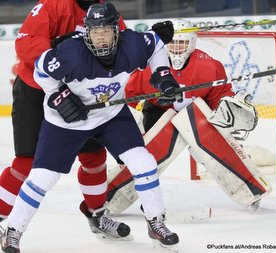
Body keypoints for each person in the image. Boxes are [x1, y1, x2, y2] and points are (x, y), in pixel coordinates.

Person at [0, 3, 180, 252]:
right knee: (35, 171)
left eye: (107, 31)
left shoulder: (125, 39)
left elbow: (148, 47)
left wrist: (162, 75)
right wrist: (59, 93)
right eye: (96, 32)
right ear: (86, 33)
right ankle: (10, 227)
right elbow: (39, 64)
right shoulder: (66, 37)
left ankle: (143, 219)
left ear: (116, 30)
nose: (102, 38)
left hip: (106, 113)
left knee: (119, 162)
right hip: (56, 110)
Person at [105, 18, 271, 214]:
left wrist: (229, 109)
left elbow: (219, 96)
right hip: (159, 112)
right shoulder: (149, 67)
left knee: (221, 149)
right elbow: (130, 96)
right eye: (172, 42)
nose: (176, 48)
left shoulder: (209, 66)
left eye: (182, 43)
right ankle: (115, 198)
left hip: (196, 113)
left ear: (192, 43)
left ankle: (249, 191)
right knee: (146, 158)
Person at [0, 0, 127, 235]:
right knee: (27, 163)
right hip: (37, 89)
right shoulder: (53, 5)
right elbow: (26, 42)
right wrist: (55, 54)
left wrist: (156, 58)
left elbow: (127, 50)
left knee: (94, 158)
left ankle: (96, 213)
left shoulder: (107, 12)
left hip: (83, 93)